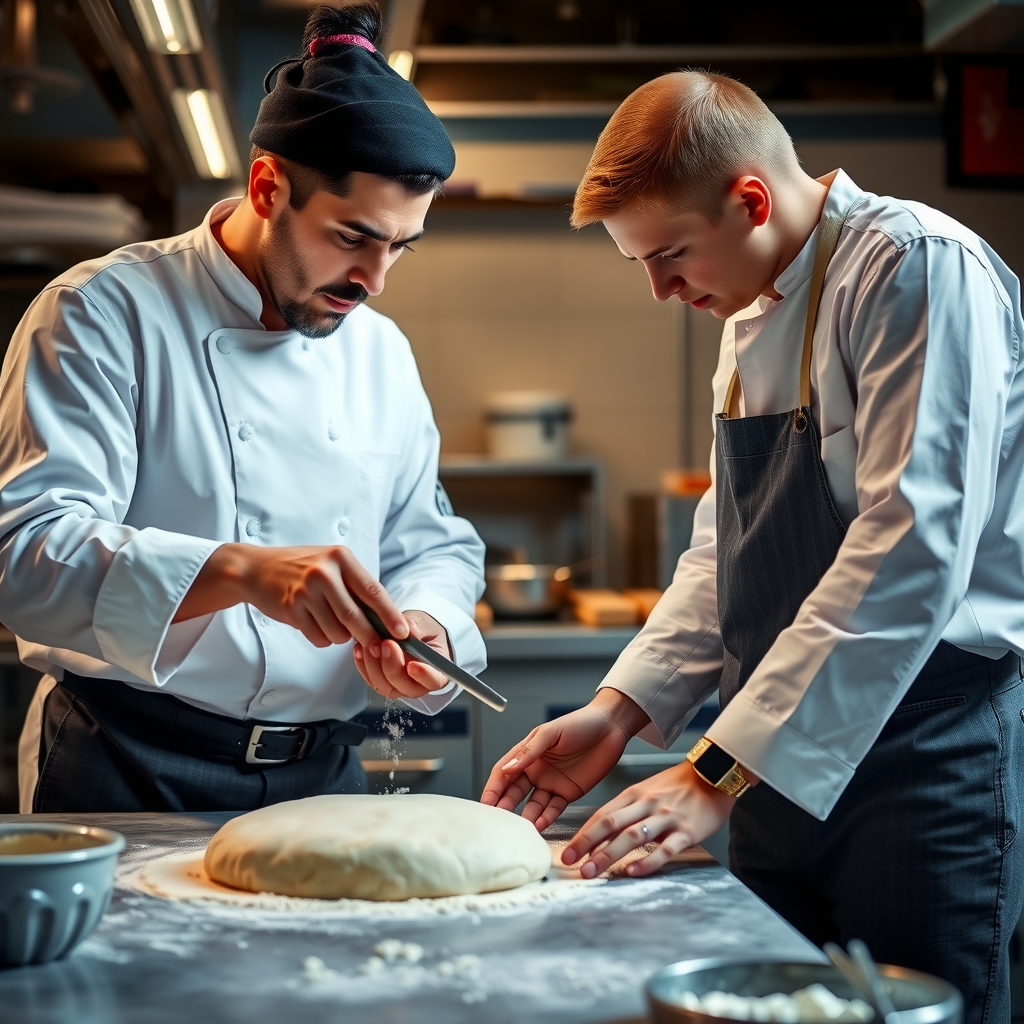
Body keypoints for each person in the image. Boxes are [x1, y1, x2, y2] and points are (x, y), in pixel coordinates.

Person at [483, 70, 1024, 1022]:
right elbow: (725, 557)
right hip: (771, 767)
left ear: (751, 199)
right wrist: (618, 713)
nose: (660, 290)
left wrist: (714, 772)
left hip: (919, 760)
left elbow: (910, 556)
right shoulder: (749, 320)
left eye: (670, 255)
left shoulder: (917, 268)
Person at [0, 1, 485, 815]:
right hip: (128, 761)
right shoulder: (102, 312)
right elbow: (24, 556)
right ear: (268, 186)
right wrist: (242, 572)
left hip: (323, 775)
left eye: (400, 246)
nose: (374, 279)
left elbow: (431, 543)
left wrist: (428, 626)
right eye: (352, 236)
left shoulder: (381, 351)